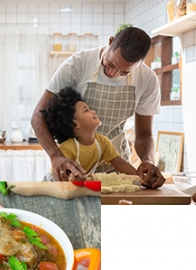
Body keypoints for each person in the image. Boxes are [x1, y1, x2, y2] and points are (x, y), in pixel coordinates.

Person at [31, 26, 165, 189]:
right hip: (75, 170)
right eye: (110, 63)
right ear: (110, 42)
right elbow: (38, 115)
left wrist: (147, 161)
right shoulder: (78, 64)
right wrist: (56, 156)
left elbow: (144, 134)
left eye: (124, 72)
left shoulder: (147, 79)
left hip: (117, 172)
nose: (113, 73)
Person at [40, 86, 158, 182]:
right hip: (54, 184)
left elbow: (120, 164)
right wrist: (73, 177)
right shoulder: (68, 148)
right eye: (86, 110)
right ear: (75, 125)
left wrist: (141, 178)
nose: (93, 111)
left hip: (77, 188)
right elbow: (65, 176)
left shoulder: (102, 142)